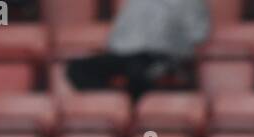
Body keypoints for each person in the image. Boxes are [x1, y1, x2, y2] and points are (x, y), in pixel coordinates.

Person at [67, 0, 209, 100]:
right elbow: (116, 35)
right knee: (77, 68)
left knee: (139, 72)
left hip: (159, 56)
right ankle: (116, 100)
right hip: (124, 55)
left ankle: (130, 103)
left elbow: (198, 36)